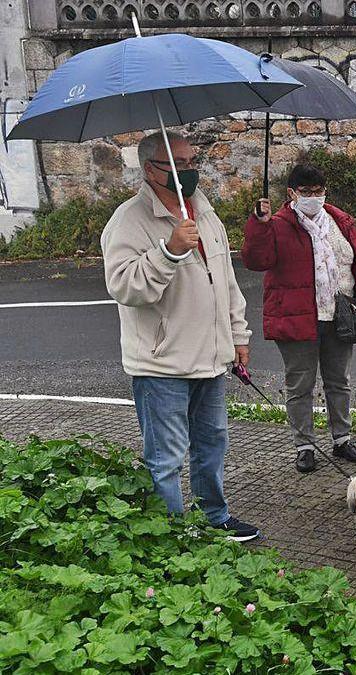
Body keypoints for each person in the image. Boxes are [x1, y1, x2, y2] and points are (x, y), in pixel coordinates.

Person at [99, 131, 260, 541]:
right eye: (179, 165)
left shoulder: (205, 213)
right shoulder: (129, 220)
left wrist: (238, 336)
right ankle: (170, 535)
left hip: (210, 359)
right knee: (166, 457)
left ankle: (214, 517)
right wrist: (168, 252)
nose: (189, 171)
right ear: (151, 170)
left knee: (212, 445)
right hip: (161, 364)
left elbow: (225, 281)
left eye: (192, 164)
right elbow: (125, 286)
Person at [242, 164, 356, 474]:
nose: (314, 198)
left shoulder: (340, 222)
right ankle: (305, 445)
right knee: (300, 385)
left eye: (319, 191)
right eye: (306, 192)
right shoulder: (277, 225)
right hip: (297, 317)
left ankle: (342, 439)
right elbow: (255, 259)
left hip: (339, 314)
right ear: (291, 193)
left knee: (339, 382)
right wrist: (258, 223)